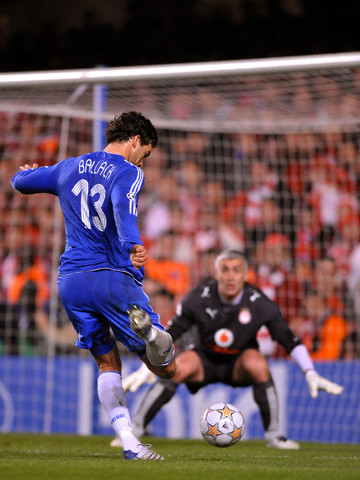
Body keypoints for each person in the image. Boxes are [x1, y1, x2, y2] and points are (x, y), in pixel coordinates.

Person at [11, 111, 176, 461]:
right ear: (135, 141)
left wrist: (24, 172)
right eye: (144, 152)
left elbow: (19, 182)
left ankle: (131, 445)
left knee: (106, 363)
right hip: (111, 277)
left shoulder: (69, 166)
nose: (141, 159)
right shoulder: (128, 171)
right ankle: (150, 336)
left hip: (71, 281)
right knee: (166, 367)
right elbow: (121, 205)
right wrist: (132, 243)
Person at [112, 249, 343, 449]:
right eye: (225, 270)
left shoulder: (259, 302)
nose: (230, 276)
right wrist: (150, 367)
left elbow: (287, 338)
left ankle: (275, 436)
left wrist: (310, 372)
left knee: (258, 364)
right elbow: (172, 334)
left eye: (236, 271)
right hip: (203, 360)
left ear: (245, 274)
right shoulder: (198, 298)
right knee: (178, 366)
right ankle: (136, 429)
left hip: (239, 363)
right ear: (217, 273)